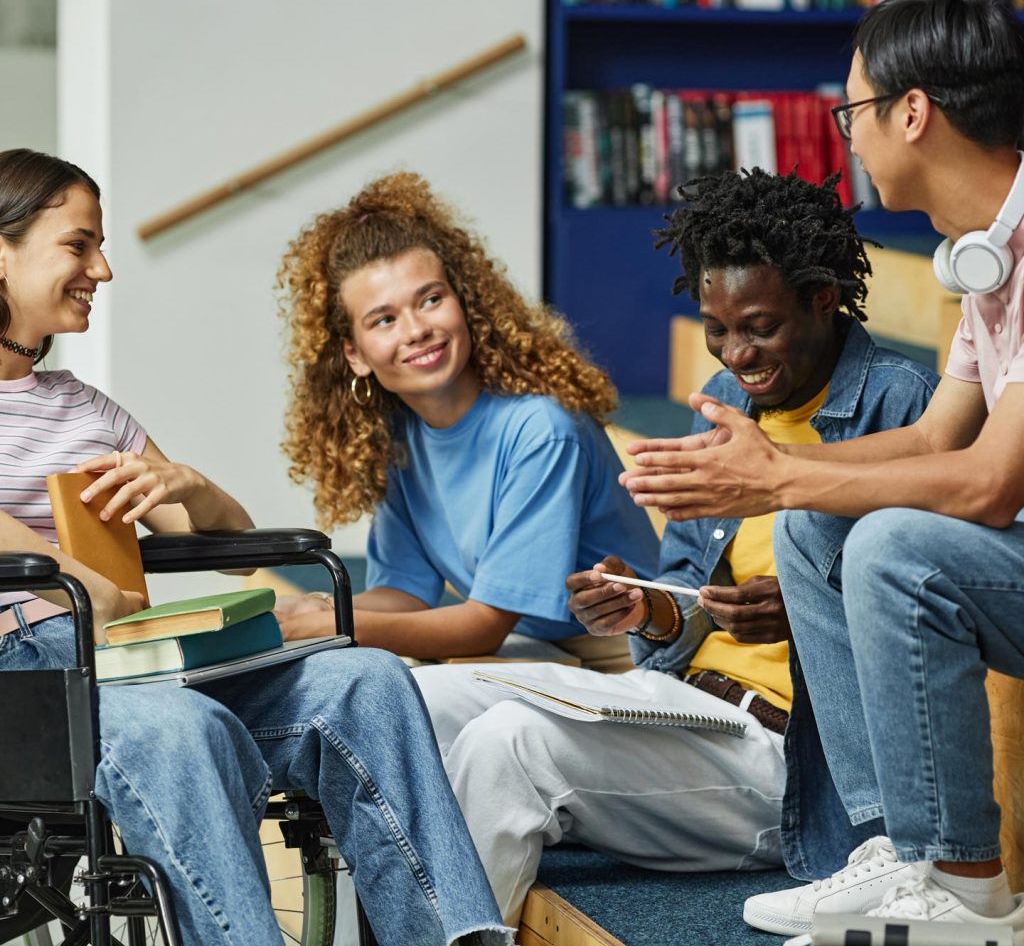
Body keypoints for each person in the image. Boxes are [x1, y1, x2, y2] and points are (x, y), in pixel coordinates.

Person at [0, 148, 512, 946]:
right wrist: (79, 580)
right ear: (3, 249)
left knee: (365, 682)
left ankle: (452, 937)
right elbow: (80, 592)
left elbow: (233, 547)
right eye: (79, 244)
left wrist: (184, 486)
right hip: (26, 687)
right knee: (181, 730)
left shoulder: (83, 407)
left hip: (123, 664)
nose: (102, 268)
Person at [412, 167, 938, 926]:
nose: (736, 354)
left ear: (823, 297)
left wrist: (797, 612)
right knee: (413, 698)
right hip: (686, 704)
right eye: (716, 328)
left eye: (760, 325)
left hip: (788, 757)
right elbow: (685, 590)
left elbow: (930, 616)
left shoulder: (906, 408)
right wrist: (646, 606)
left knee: (509, 743)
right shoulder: (724, 405)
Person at [620, 0, 1024, 941]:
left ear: (911, 113)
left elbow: (987, 482)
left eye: (852, 112)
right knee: (813, 528)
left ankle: (967, 889)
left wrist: (778, 474)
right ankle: (892, 847)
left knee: (890, 546)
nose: (848, 138)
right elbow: (934, 440)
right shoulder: (983, 262)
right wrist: (773, 471)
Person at [274, 172, 659, 668]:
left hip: (624, 654)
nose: (417, 330)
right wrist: (313, 608)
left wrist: (337, 623)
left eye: (431, 299)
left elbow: (481, 628)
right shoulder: (398, 435)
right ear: (355, 354)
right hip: (535, 647)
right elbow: (404, 593)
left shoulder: (541, 429)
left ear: (465, 302)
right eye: (384, 320)